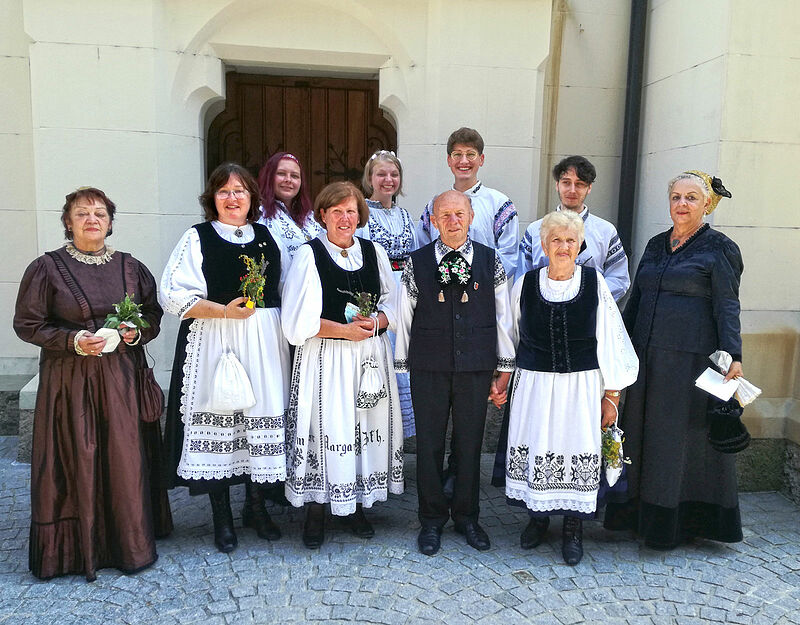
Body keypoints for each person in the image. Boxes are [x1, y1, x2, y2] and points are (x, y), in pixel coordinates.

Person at [13, 187, 172, 581]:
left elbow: (152, 313)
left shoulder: (131, 267)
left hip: (120, 378)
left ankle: (128, 544)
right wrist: (72, 341)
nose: (92, 219)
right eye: (81, 213)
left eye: (100, 213)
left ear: (111, 222)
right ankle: (73, 551)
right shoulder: (46, 268)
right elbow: (28, 324)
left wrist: (136, 333)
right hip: (69, 381)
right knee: (76, 456)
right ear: (68, 222)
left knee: (123, 458)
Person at [603, 170, 743, 550]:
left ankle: (676, 522)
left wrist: (734, 355)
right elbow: (637, 299)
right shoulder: (654, 244)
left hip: (690, 364)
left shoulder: (719, 248)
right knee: (641, 436)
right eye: (676, 197)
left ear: (706, 204)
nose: (681, 204)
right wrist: (621, 348)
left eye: (691, 198)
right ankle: (636, 515)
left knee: (675, 442)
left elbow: (727, 306)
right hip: (646, 359)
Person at [492, 210, 638, 566]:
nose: (563, 246)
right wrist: (502, 378)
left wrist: (613, 395)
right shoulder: (524, 283)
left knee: (577, 446)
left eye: (570, 240)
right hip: (534, 387)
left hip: (582, 387)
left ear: (580, 246)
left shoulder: (595, 283)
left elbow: (612, 340)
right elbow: (508, 337)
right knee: (538, 443)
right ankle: (537, 518)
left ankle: (573, 526)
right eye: (556, 239)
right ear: (544, 245)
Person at [160, 162, 290, 553]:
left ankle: (255, 507)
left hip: (263, 342)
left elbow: (286, 287)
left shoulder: (267, 236)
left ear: (252, 198)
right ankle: (223, 518)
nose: (232, 198)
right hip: (215, 339)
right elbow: (172, 295)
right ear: (212, 199)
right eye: (224, 191)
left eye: (240, 191)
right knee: (221, 423)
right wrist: (223, 311)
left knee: (256, 422)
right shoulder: (197, 237)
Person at [282, 181, 404, 549]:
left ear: (360, 215)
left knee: (361, 426)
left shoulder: (374, 251)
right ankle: (317, 509)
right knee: (328, 427)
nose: (345, 218)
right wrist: (342, 331)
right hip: (326, 357)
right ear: (323, 216)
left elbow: (393, 303)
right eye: (337, 212)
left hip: (368, 356)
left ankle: (356, 505)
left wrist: (377, 323)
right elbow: (295, 320)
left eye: (351, 211)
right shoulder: (309, 254)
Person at [395, 190, 515, 556]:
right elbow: (403, 316)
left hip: (476, 366)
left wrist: (504, 367)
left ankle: (467, 516)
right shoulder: (415, 262)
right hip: (428, 365)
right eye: (444, 215)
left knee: (469, 443)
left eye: (459, 214)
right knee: (429, 445)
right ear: (433, 220)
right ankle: (431, 520)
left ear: (471, 215)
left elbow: (503, 316)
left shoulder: (490, 261)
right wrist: (402, 366)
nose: (452, 221)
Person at [356, 149, 418, 437]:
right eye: (381, 174)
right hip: (381, 292)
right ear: (370, 178)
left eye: (394, 174)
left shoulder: (406, 215)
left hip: (406, 291)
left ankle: (397, 438)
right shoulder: (362, 215)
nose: (388, 179)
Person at [518, 156, 630, 301]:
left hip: (589, 315)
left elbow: (619, 278)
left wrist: (586, 299)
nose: (572, 190)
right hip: (542, 314)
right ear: (557, 185)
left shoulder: (606, 232)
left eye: (580, 184)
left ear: (589, 188)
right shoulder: (535, 230)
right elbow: (522, 278)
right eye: (566, 183)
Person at [417, 127, 519, 277]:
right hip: (439, 292)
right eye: (457, 154)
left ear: (481, 159)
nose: (463, 161)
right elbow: (422, 250)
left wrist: (476, 280)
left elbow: (509, 256)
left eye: (470, 154)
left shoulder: (499, 204)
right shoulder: (435, 205)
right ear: (449, 160)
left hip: (483, 290)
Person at [257, 152, 324, 258]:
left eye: (294, 176)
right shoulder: (259, 215)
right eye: (281, 173)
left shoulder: (312, 218)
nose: (288, 179)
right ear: (269, 177)